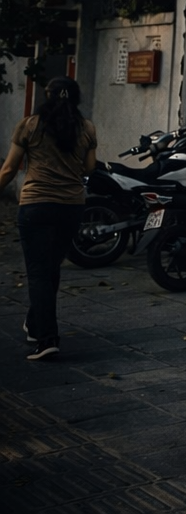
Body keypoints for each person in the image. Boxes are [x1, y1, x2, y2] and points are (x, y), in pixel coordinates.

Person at [0, 77, 95, 361]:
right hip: (71, 206)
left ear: (48, 96)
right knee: (51, 267)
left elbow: (9, 169)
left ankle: (47, 339)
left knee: (39, 271)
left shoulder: (30, 125)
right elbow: (89, 167)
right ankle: (35, 324)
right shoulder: (86, 128)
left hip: (37, 205)